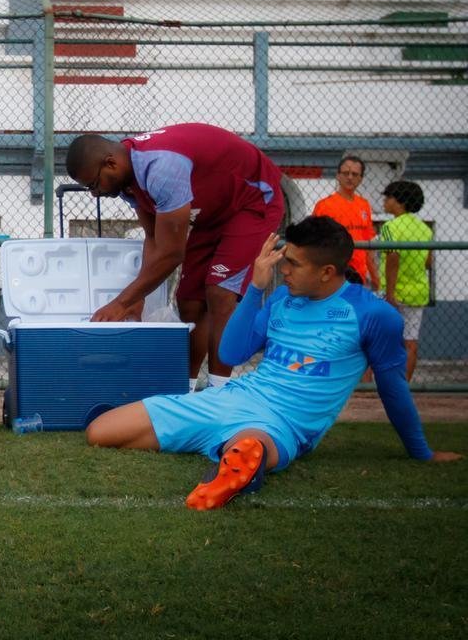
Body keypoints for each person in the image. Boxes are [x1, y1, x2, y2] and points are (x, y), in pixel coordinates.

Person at [84, 216, 460, 510]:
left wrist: (421, 451)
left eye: (293, 264)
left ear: (327, 272)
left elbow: (392, 386)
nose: (285, 270)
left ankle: (238, 464)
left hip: (283, 423)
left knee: (252, 442)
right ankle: (227, 453)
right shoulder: (280, 299)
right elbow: (231, 355)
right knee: (101, 431)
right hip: (232, 397)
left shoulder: (374, 315)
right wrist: (255, 288)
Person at [64, 124, 284, 390]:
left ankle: (219, 392)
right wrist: (138, 298)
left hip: (253, 201)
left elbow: (172, 254)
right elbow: (154, 239)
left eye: (94, 184)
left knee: (219, 292)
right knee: (189, 300)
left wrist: (122, 302)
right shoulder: (126, 179)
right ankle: (186, 389)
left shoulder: (161, 167)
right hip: (213, 212)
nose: (94, 193)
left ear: (110, 163)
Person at [380, 180, 433, 382]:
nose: (385, 201)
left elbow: (392, 259)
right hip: (417, 291)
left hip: (395, 292)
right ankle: (404, 384)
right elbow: (428, 261)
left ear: (399, 201)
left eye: (388, 197)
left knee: (385, 338)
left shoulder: (389, 227)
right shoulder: (425, 229)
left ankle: (385, 382)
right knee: (410, 341)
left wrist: (390, 293)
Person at [312, 155, 379, 291]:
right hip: (334, 274)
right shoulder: (325, 206)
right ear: (338, 175)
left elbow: (368, 245)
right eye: (346, 173)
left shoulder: (364, 205)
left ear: (360, 179)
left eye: (354, 174)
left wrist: (375, 276)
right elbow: (315, 243)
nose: (350, 177)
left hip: (359, 275)